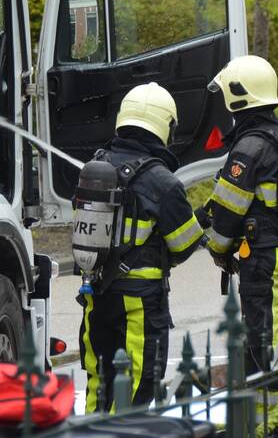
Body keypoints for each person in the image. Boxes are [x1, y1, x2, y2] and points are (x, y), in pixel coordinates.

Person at [78, 83, 205, 413]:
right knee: (135, 385)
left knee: (99, 381)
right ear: (165, 126)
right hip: (138, 304)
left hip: (96, 296)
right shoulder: (162, 181)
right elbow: (185, 243)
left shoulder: (96, 167)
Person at [200, 55, 278, 436]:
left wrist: (217, 247)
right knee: (274, 331)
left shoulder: (248, 147)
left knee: (267, 339)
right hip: (274, 249)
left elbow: (229, 211)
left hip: (260, 254)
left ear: (238, 97)